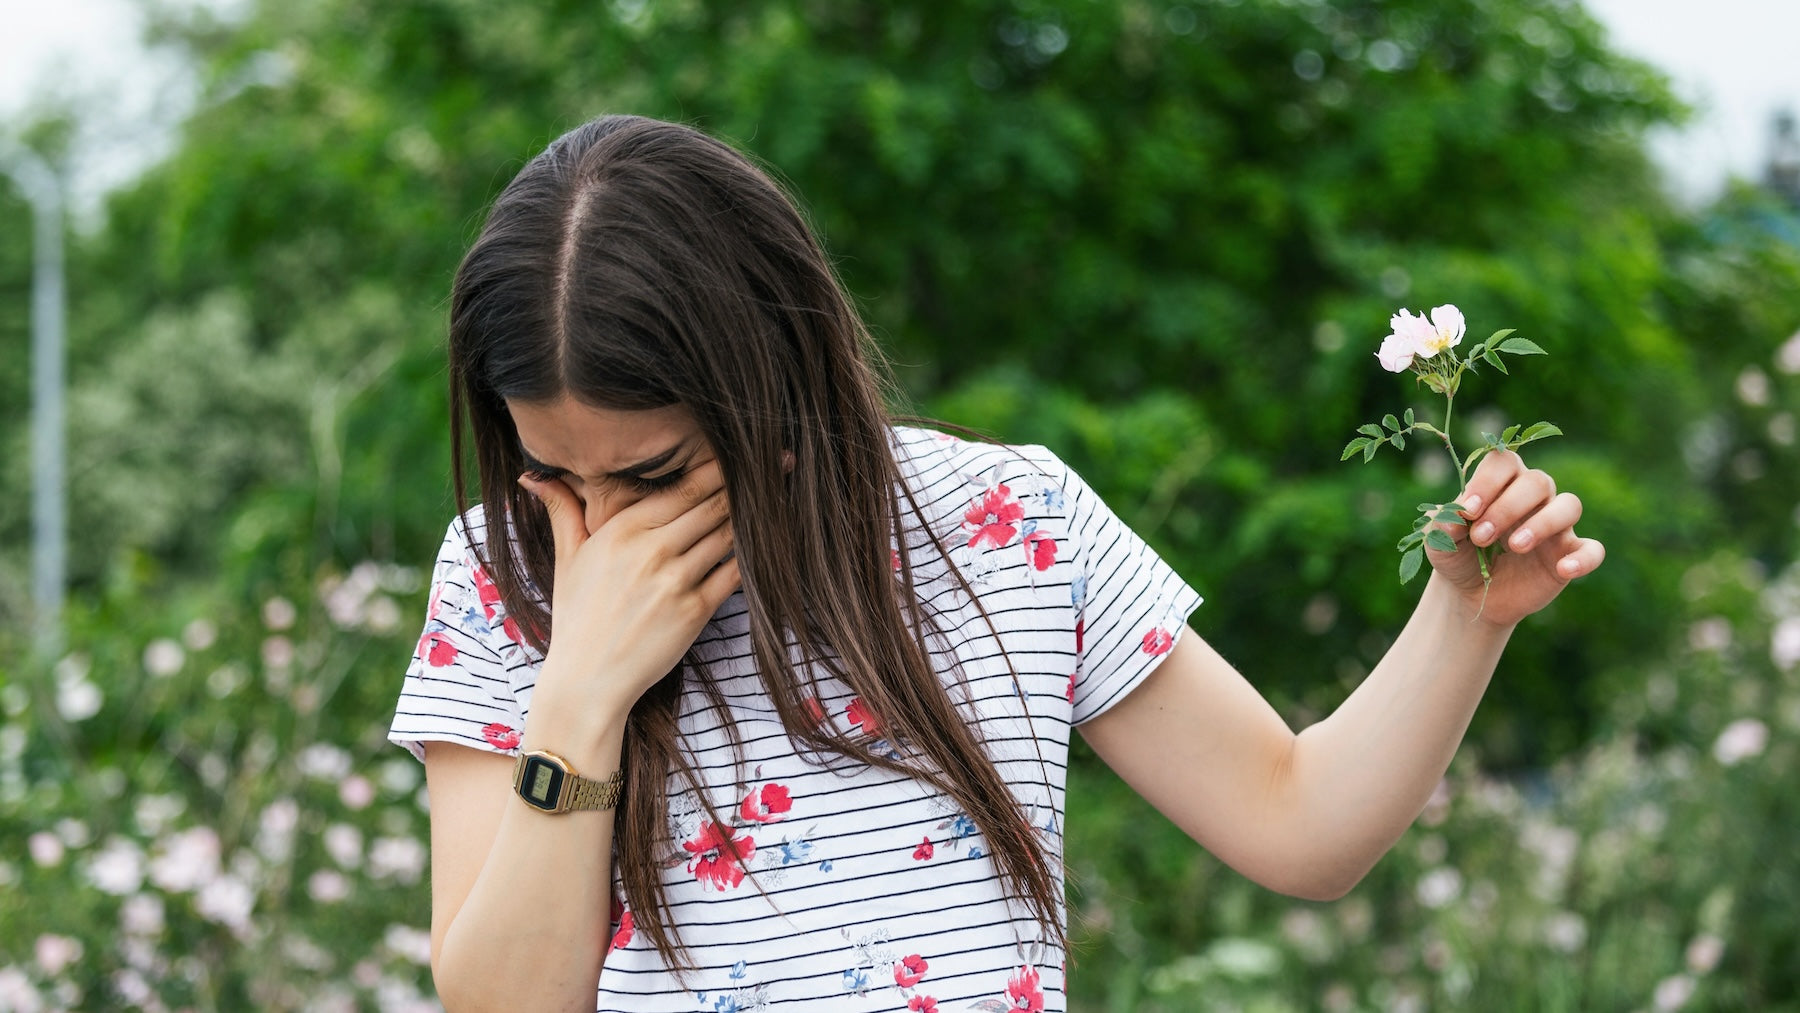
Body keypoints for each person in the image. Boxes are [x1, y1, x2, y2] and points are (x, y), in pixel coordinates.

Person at [388, 114, 1604, 1012]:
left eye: (651, 474)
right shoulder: (503, 573)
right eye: (559, 472)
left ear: (765, 374)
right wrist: (582, 695)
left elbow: (1300, 824)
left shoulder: (1005, 518)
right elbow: (501, 1002)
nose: (600, 523)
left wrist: (1466, 616)